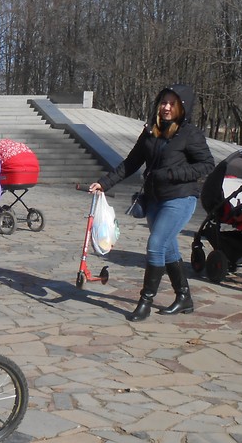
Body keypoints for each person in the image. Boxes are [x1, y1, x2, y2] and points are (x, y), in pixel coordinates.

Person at [89, 85, 214, 321]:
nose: (166, 107)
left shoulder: (190, 134)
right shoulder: (151, 131)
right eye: (163, 102)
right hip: (155, 199)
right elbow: (131, 162)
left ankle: (145, 301)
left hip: (180, 198)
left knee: (156, 245)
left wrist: (172, 174)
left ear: (182, 107)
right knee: (167, 248)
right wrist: (104, 183)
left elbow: (208, 165)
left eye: (172, 103)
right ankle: (184, 297)